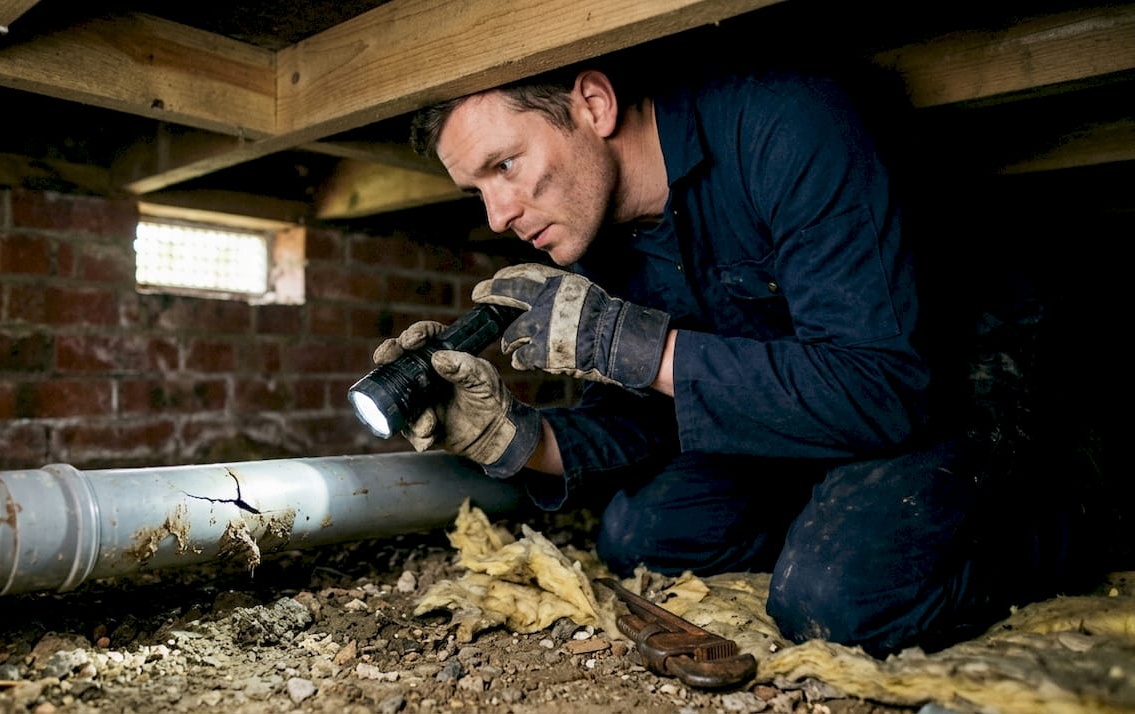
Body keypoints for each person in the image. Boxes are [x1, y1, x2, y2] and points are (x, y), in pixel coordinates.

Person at [371, 57, 1107, 658]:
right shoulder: (598, 234)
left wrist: (637, 347)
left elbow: (887, 386)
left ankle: (1083, 517)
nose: (498, 216)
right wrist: (516, 440)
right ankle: (839, 506)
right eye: (478, 190)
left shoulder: (787, 120)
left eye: (505, 165)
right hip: (816, 410)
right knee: (641, 536)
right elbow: (645, 418)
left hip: (968, 378)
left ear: (592, 104)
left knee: (836, 597)